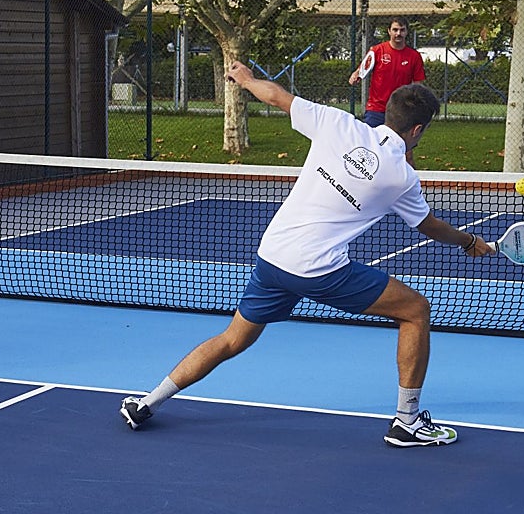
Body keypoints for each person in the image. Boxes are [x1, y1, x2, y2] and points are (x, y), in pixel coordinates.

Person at [120, 61, 496, 447]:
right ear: (417, 130)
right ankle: (407, 421)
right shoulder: (402, 178)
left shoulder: (336, 123)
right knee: (415, 311)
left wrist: (247, 79)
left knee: (232, 339)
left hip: (273, 256)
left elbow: (278, 97)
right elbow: (429, 226)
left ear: (387, 113)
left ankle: (147, 403)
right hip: (320, 269)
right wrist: (468, 241)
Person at [349, 18, 426, 164]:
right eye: (395, 30)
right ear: (389, 31)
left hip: (401, 112)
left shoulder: (414, 56)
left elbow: (418, 86)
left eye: (402, 30)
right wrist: (355, 75)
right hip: (376, 109)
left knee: (406, 154)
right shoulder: (377, 51)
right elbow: (362, 69)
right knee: (369, 150)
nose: (398, 33)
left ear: (407, 32)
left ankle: (411, 186)